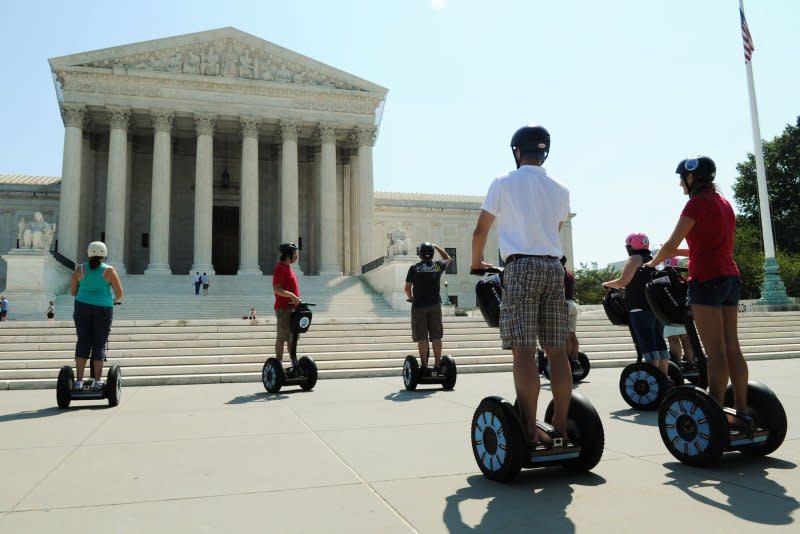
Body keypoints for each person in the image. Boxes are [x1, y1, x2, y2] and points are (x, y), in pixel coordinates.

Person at [471, 124, 572, 446]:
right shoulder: (561, 188)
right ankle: (561, 423)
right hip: (554, 267)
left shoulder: (503, 182)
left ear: (517, 151)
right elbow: (554, 230)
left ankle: (529, 428)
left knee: (524, 352)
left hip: (521, 266)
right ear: (546, 151)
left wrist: (475, 263)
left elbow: (480, 230)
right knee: (557, 351)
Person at [645, 156, 748, 422]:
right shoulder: (724, 203)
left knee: (714, 352)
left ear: (692, 177)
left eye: (682, 178)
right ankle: (741, 409)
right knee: (732, 347)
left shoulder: (696, 203)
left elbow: (670, 244)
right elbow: (702, 244)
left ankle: (714, 411)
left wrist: (652, 263)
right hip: (730, 276)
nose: (681, 183)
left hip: (706, 279)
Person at [602, 233, 670, 378]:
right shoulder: (653, 259)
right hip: (656, 309)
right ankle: (664, 378)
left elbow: (623, 281)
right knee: (660, 344)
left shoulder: (635, 258)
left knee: (648, 346)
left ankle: (653, 380)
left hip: (639, 308)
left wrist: (606, 284)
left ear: (630, 247)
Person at [69, 241, 124, 390]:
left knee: (83, 341)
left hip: (81, 307)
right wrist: (114, 300)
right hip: (104, 308)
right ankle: (98, 381)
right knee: (99, 343)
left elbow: (73, 292)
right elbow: (119, 293)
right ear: (104, 254)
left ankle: (79, 380)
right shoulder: (109, 270)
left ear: (89, 253)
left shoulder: (80, 269)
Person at [404, 242, 452, 374]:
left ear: (419, 254)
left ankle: (424, 366)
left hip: (419, 306)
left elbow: (407, 288)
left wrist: (411, 297)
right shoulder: (437, 266)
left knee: (422, 337)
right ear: (432, 253)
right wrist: (436, 246)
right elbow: (448, 258)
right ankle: (437, 365)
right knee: (436, 336)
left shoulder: (414, 268)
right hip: (435, 305)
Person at [662, 257, 696, 368]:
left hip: (671, 314)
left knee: (674, 339)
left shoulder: (663, 280)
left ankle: (677, 364)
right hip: (684, 313)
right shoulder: (682, 279)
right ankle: (691, 363)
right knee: (686, 340)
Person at [273, 242, 301, 368]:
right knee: (282, 337)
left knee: (292, 338)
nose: (296, 256)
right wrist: (291, 296)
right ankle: (278, 363)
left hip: (293, 309)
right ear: (289, 254)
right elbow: (277, 289)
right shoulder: (280, 268)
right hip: (283, 308)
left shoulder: (289, 268)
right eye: (295, 253)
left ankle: (293, 361)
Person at [561, 256, 581, 368]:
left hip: (563, 304)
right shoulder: (569, 274)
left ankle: (567, 362)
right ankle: (575, 360)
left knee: (566, 335)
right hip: (572, 304)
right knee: (572, 333)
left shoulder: (558, 273)